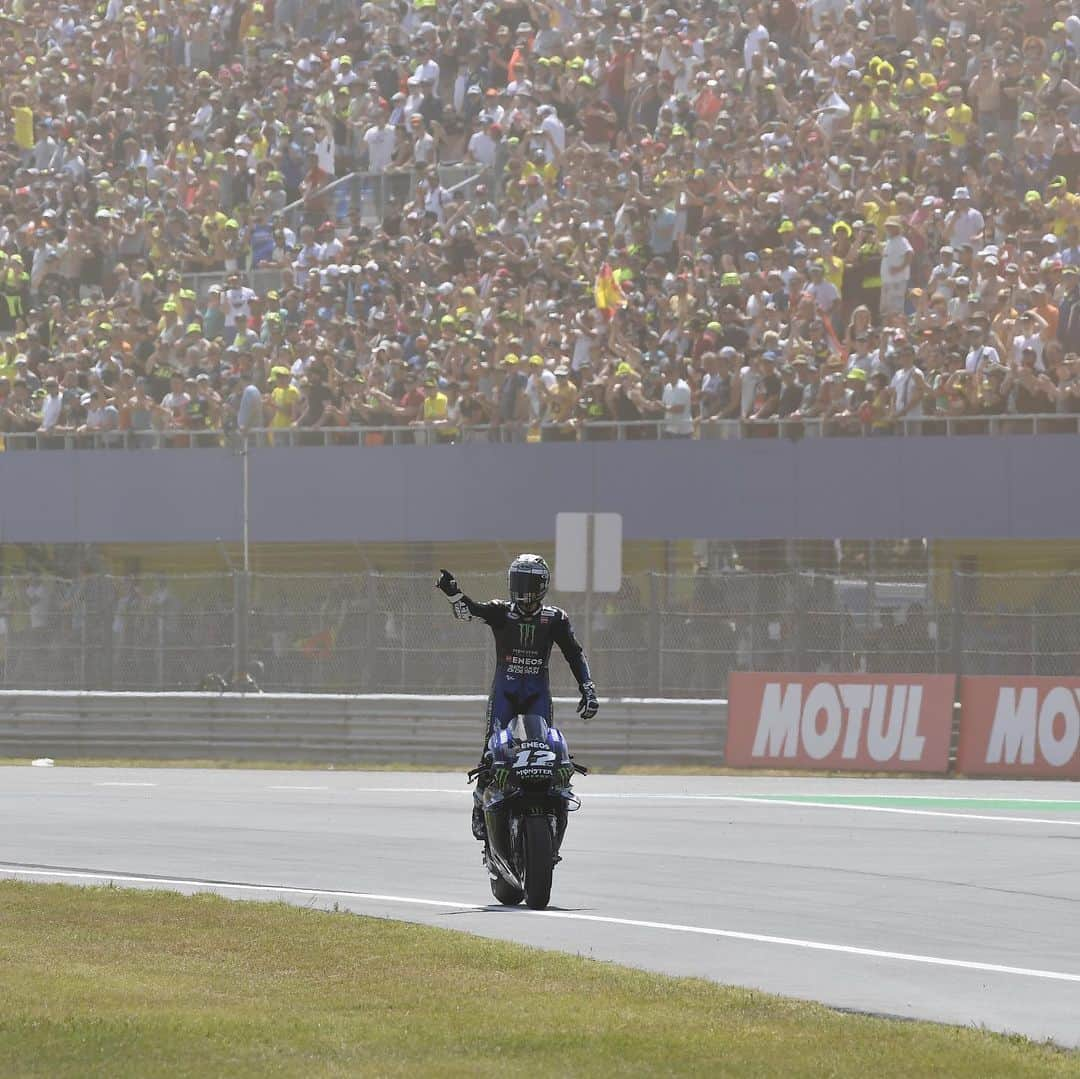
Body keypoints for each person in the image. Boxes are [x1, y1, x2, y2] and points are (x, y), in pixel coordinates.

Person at [436, 555, 598, 840]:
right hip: (505, 692)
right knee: (491, 753)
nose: (521, 589)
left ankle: (550, 808)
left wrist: (587, 687)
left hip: (537, 693)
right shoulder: (501, 612)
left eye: (528, 582)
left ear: (542, 585)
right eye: (517, 581)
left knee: (545, 750)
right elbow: (469, 612)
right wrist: (453, 593)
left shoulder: (555, 618)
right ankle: (478, 806)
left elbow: (574, 653)